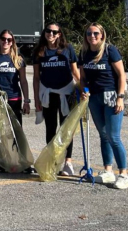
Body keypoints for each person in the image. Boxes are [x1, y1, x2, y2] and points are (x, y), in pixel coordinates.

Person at [79, 22, 128, 189]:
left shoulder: (110, 50)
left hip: (111, 96)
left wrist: (120, 98)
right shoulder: (84, 53)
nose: (92, 36)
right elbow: (83, 78)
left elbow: (121, 75)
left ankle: (123, 174)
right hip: (94, 98)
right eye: (89, 33)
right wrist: (85, 90)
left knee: (113, 136)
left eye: (95, 33)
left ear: (102, 35)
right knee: (103, 135)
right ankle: (108, 171)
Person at [32, 22, 79, 176]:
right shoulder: (40, 51)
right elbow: (36, 77)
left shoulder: (68, 49)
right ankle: (52, 162)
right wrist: (36, 99)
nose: (50, 34)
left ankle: (68, 163)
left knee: (67, 129)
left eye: (54, 32)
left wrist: (83, 89)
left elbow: (75, 71)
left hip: (67, 94)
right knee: (50, 129)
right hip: (48, 94)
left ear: (59, 34)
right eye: (48, 31)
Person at [0, 29, 31, 173]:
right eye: (3, 39)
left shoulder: (18, 59)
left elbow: (23, 81)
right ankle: (2, 161)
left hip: (13, 98)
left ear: (12, 42)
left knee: (17, 131)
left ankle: (24, 162)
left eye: (9, 40)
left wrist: (27, 100)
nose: (6, 42)